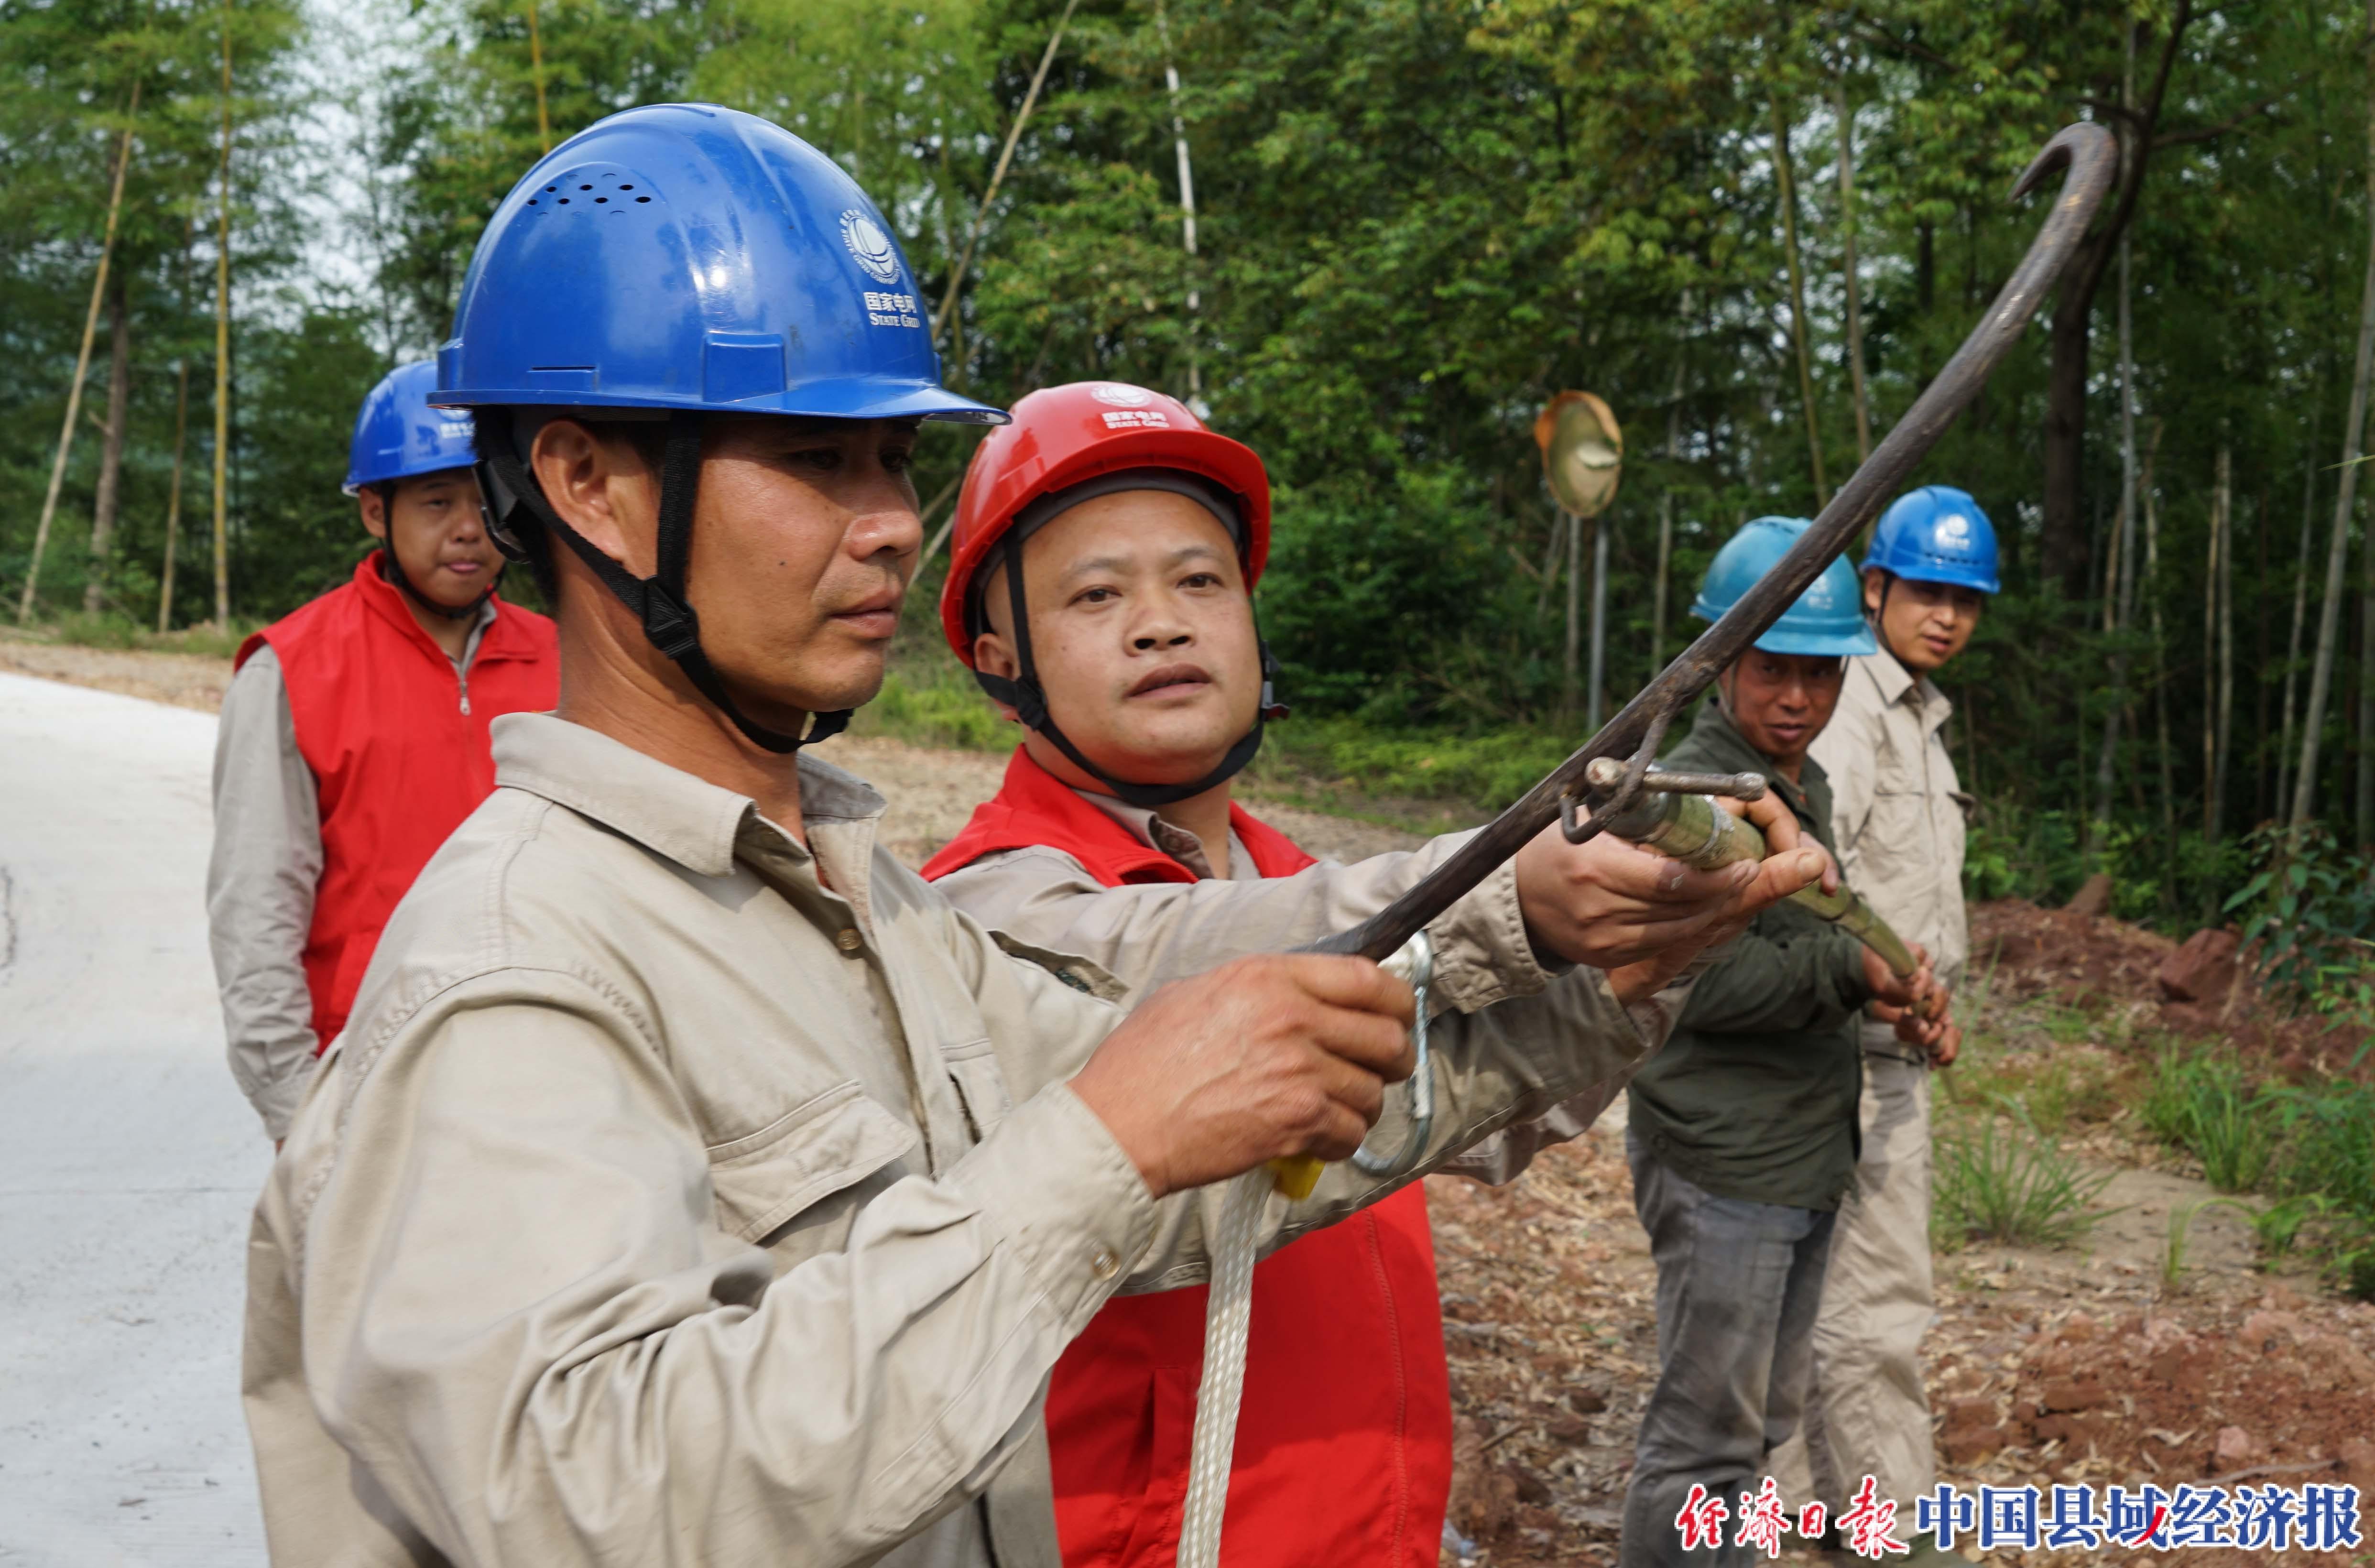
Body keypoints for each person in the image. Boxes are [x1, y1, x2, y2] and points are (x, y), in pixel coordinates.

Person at [240, 105, 1824, 1568]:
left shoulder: (859, 917)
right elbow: (582, 1500)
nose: (887, 521)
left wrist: (1598, 981)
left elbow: (1238, 1133)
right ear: (586, 482)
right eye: (816, 460)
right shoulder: (521, 964)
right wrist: (1102, 1149)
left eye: (891, 460)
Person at [919, 381, 1750, 1567]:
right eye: (1097, 594)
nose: (1160, 624)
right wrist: (1507, 894)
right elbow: (1195, 951)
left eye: (1200, 580)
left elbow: (1464, 1115)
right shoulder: (986, 905)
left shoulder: (1300, 876)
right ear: (1001, 659)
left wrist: (1650, 957)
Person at [1617, 517, 1936, 1568]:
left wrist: (1876, 989)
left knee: (1758, 1430)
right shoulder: (1699, 800)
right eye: (1771, 670)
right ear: (1721, 665)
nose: (1798, 697)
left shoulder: (1797, 782)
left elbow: (1797, 945)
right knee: (1702, 1439)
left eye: (1820, 673)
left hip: (1796, 1149)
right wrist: (1852, 973)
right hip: (1728, 1160)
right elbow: (1692, 981)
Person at [207, 359, 557, 1143]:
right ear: (375, 510)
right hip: (370, 1080)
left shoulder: (568, 663)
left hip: (552, 1068)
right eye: (437, 502)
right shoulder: (292, 671)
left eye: (487, 500)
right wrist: (296, 1110)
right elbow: (256, 909)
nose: (469, 529)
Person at [1773, 486, 1988, 1550]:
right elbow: (1817, 881)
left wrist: (1934, 999)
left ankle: (1789, 1504)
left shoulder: (1920, 717)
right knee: (1880, 1297)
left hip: (1890, 1032)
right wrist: (1894, 989)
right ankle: (1892, 1527)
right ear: (1875, 588)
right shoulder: (1853, 707)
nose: (1946, 616)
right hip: (1856, 1043)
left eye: (1967, 600)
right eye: (1928, 592)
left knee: (1815, 1292)